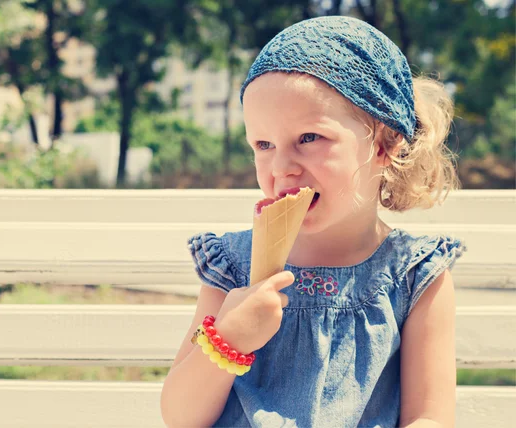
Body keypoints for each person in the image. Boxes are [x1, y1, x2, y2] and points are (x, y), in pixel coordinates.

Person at [161, 15, 465, 428]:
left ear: (385, 143)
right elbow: (181, 417)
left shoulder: (414, 276)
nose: (281, 167)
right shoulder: (235, 267)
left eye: (308, 138)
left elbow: (430, 417)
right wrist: (229, 339)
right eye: (263, 144)